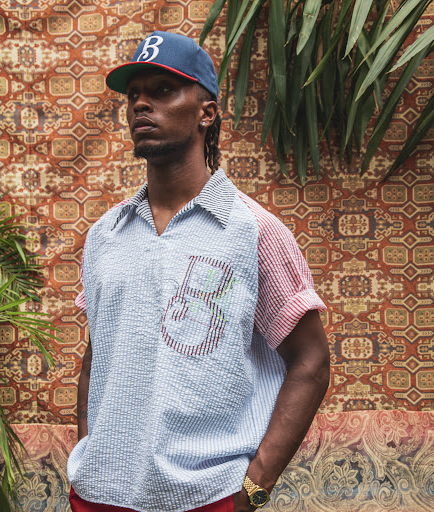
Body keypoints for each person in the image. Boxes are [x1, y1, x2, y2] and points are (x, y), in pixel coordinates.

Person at [67, 31, 330, 512]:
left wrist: (253, 487)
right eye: (134, 94)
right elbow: (97, 355)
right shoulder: (105, 235)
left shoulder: (253, 231)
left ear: (206, 113)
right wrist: (89, 453)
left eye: (163, 90)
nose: (141, 104)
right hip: (99, 495)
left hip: (206, 497)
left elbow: (310, 362)